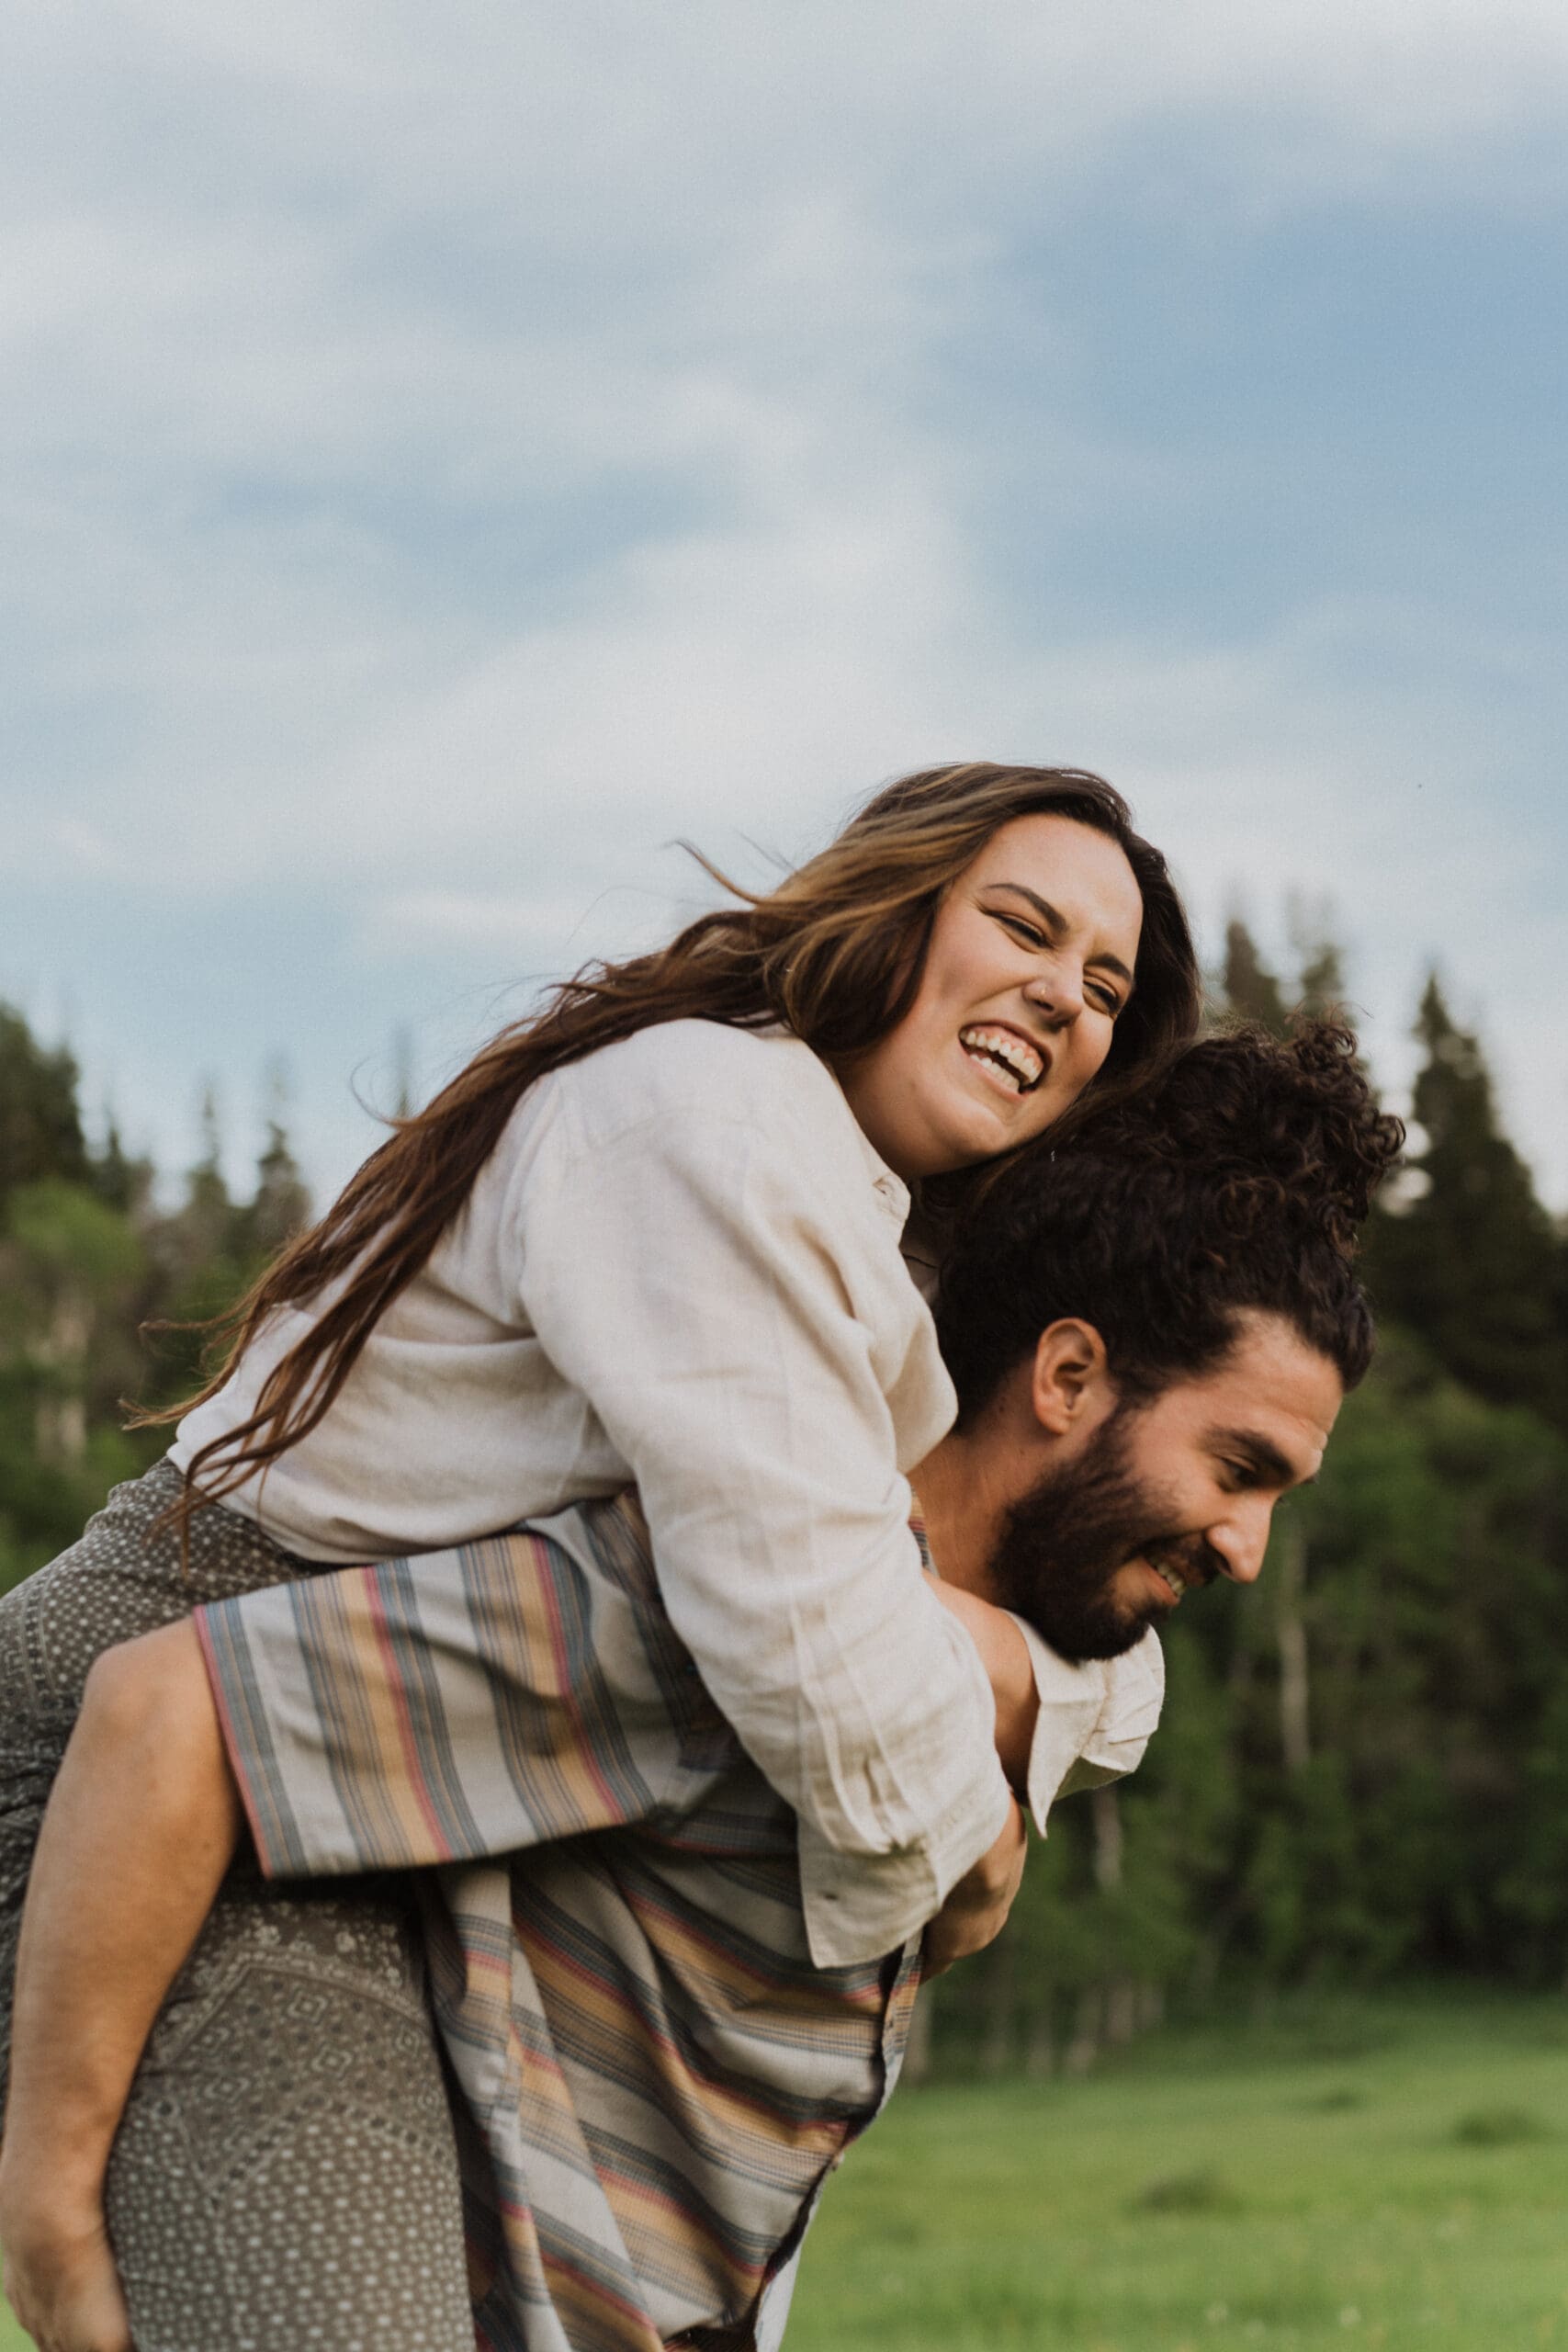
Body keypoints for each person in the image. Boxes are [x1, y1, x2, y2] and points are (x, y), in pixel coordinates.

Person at [0, 1021, 1402, 2352]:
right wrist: (47, 2228)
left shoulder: (1003, 1663)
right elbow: (165, 1716)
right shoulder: (707, 1606)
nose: (1248, 1549)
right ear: (1068, 1374)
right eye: (1238, 1471)